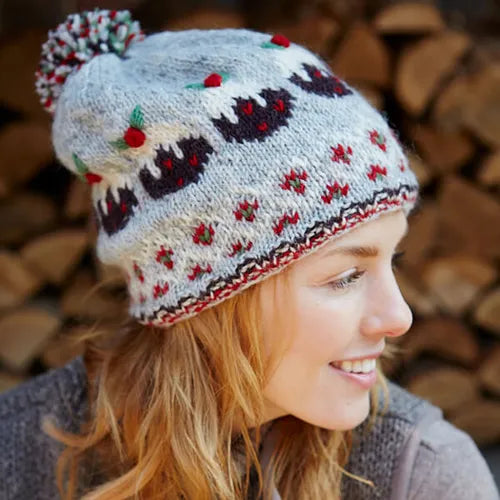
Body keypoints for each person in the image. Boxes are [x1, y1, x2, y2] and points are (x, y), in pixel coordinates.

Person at [0, 8, 498, 500]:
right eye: (346, 275)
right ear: (209, 294)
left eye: (393, 259)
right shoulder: (17, 456)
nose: (399, 317)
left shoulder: (423, 474)